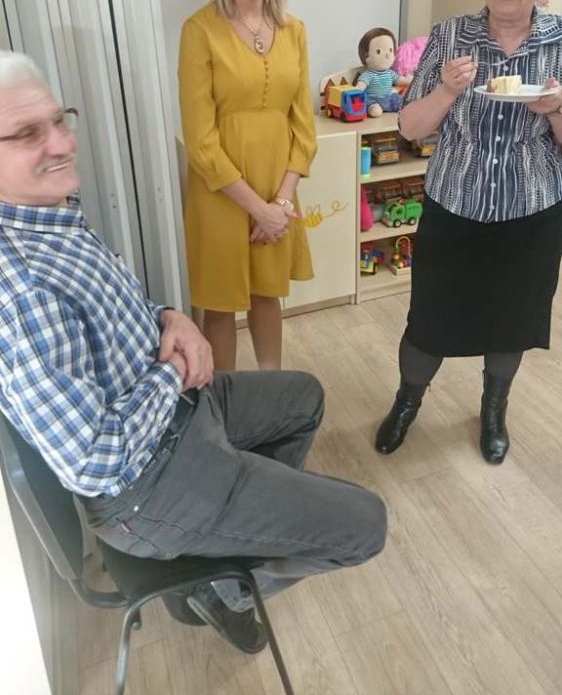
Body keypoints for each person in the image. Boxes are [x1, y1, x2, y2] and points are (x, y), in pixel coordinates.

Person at [0, 51, 386, 653]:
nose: (62, 143)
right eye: (27, 134)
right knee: (365, 525)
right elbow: (93, 462)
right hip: (145, 484)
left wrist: (169, 317)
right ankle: (223, 588)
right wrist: (174, 368)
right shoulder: (18, 284)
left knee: (303, 397)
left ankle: (229, 540)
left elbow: (114, 313)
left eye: (59, 120)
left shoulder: (49, 217)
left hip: (175, 412)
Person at [375, 0, 562, 464]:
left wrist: (555, 111)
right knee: (430, 319)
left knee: (512, 320)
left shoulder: (560, 42)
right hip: (455, 205)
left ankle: (494, 410)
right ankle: (407, 402)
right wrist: (446, 92)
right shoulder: (451, 35)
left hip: (531, 210)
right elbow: (410, 128)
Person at [178, 0, 316, 371]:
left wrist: (281, 202)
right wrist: (259, 208)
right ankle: (226, 400)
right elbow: (200, 139)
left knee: (267, 295)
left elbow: (304, 127)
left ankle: (271, 392)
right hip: (220, 191)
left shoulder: (294, 30)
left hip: (278, 187)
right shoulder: (199, 30)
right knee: (219, 305)